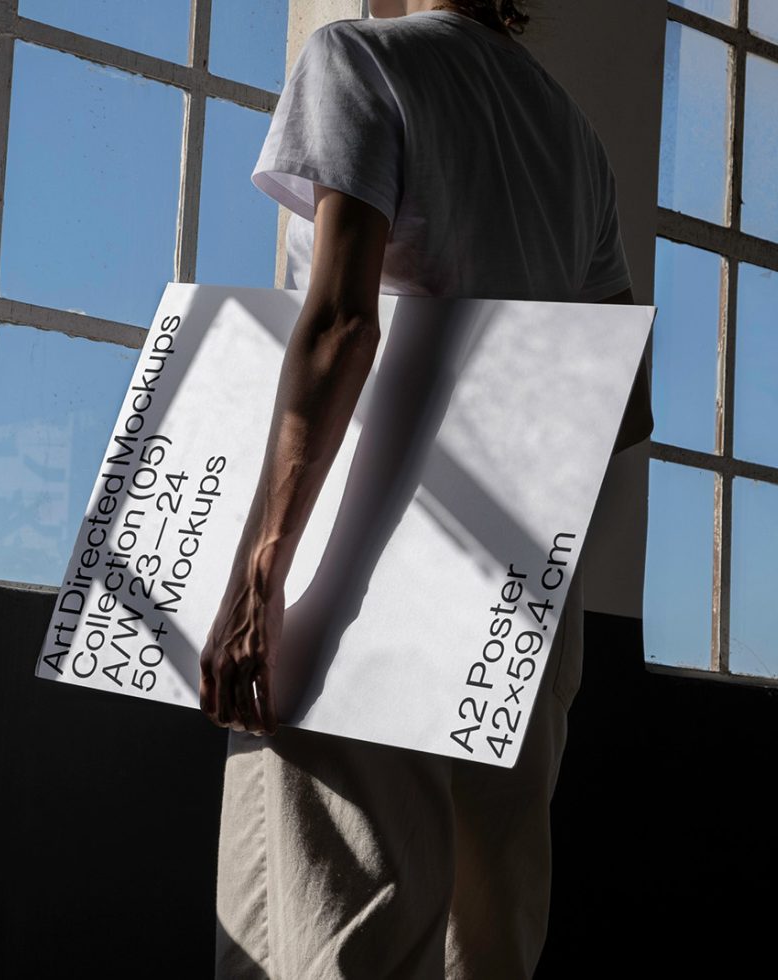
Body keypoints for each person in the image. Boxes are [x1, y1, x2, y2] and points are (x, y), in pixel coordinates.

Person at [198, 2, 652, 976]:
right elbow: (628, 403)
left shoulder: (358, 60)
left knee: (330, 930)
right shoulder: (575, 142)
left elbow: (338, 326)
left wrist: (258, 573)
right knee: (485, 939)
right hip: (521, 594)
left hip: (369, 563)